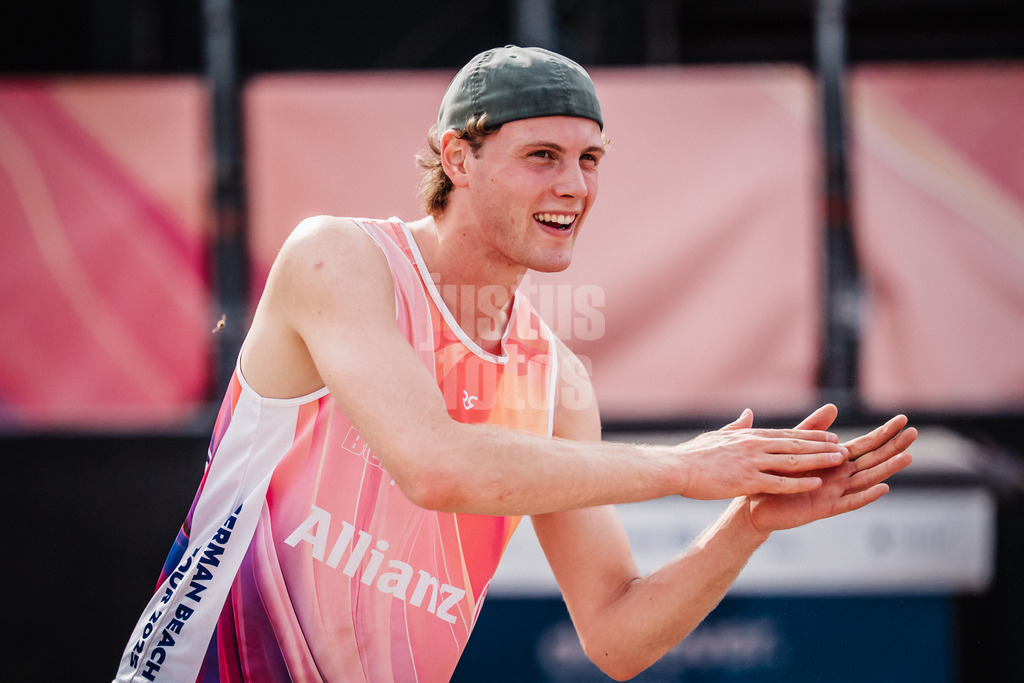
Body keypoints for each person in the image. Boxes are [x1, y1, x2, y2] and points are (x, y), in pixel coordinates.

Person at [114, 45, 915, 682]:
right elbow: (436, 467)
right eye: (542, 154)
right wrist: (685, 466)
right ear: (457, 157)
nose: (575, 185)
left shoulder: (557, 377)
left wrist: (743, 526)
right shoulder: (339, 257)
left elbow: (616, 638)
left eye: (591, 158)